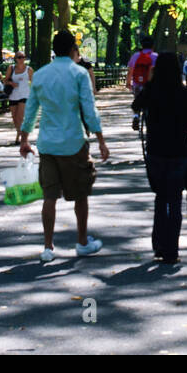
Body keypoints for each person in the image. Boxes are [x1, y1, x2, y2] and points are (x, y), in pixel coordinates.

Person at [19, 30, 109, 262]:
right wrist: (100, 140)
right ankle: (81, 241)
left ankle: (48, 246)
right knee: (80, 194)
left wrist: (25, 138)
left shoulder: (39, 75)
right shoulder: (79, 74)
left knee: (49, 196)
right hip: (74, 142)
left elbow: (31, 109)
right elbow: (89, 109)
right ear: (72, 49)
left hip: (47, 143)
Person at [132, 52, 187, 263]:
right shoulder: (184, 93)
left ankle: (159, 245)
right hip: (179, 150)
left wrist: (150, 81)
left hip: (156, 151)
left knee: (160, 198)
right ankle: (172, 250)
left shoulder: (152, 90)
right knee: (175, 199)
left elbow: (136, 106)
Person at [126, 35, 157, 129]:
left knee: (137, 101)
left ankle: (136, 116)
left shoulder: (135, 56)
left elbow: (130, 71)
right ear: (152, 46)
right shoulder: (155, 56)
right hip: (151, 86)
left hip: (137, 84)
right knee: (153, 102)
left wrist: (128, 83)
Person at [4, 51, 33, 138]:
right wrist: (11, 83)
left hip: (24, 95)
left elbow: (34, 82)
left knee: (20, 116)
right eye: (19, 57)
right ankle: (19, 131)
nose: (21, 59)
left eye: (23, 57)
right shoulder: (11, 68)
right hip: (13, 95)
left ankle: (19, 136)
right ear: (15, 59)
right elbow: (5, 80)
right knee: (14, 117)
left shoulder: (29, 69)